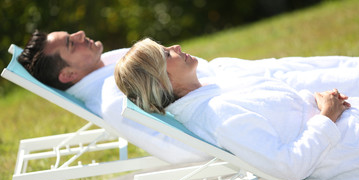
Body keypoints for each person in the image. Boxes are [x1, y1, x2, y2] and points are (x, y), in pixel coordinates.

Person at [115, 37, 359, 180]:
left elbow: (283, 116)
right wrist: (327, 116)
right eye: (166, 53)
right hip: (350, 151)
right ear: (159, 81)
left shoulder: (211, 96)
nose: (176, 46)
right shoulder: (219, 114)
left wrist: (315, 100)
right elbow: (289, 166)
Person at [17, 30, 213, 164]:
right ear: (68, 75)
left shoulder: (108, 71)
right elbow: (178, 148)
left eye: (70, 34)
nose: (80, 34)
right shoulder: (115, 98)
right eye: (71, 43)